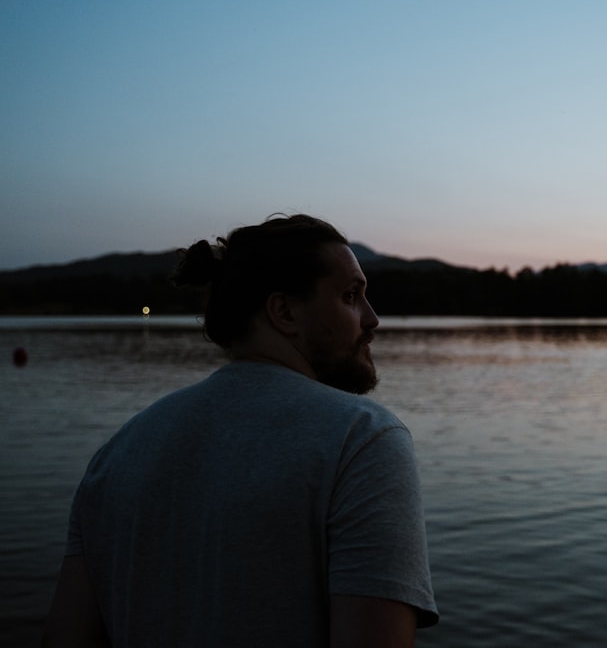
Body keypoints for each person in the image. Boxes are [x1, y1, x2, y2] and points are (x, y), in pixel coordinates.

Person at [44, 214, 437, 647]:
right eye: (350, 296)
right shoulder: (363, 441)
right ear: (284, 311)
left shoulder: (118, 454)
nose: (373, 318)